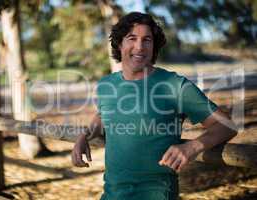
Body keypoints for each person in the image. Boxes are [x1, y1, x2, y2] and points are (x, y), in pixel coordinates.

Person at [71, 12, 237, 200]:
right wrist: (85, 135)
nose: (139, 47)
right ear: (119, 43)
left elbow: (226, 125)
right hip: (111, 193)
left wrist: (192, 147)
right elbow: (104, 114)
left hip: (156, 194)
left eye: (147, 40)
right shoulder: (106, 85)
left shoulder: (174, 85)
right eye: (132, 38)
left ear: (154, 46)